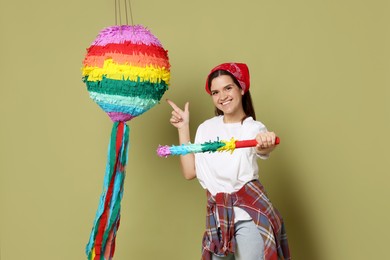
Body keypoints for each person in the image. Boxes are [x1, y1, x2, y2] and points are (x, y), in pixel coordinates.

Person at [167, 62, 290, 260]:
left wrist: (266, 142)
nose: (222, 96)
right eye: (215, 92)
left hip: (248, 216)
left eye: (228, 88)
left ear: (241, 89)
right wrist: (183, 127)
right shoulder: (206, 129)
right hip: (218, 218)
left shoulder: (253, 129)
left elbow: (263, 145)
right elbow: (190, 172)